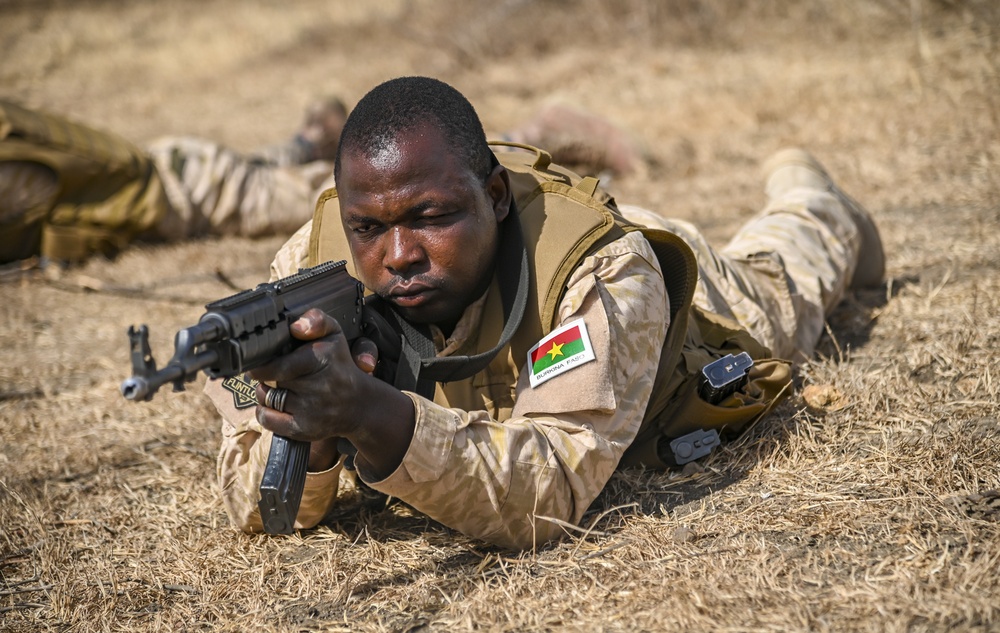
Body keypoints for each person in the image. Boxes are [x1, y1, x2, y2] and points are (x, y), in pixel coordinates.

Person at [205, 76, 885, 549]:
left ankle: (812, 195)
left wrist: (368, 413)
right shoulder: (310, 270)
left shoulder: (603, 267)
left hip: (668, 306)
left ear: (494, 194)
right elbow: (252, 499)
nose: (398, 254)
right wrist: (311, 427)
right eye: (369, 228)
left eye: (431, 217)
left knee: (785, 285)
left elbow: (551, 490)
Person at [0, 96, 346, 264]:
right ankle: (311, 141)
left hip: (182, 186)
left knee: (326, 199)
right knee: (251, 174)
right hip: (179, 169)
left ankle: (346, 154)